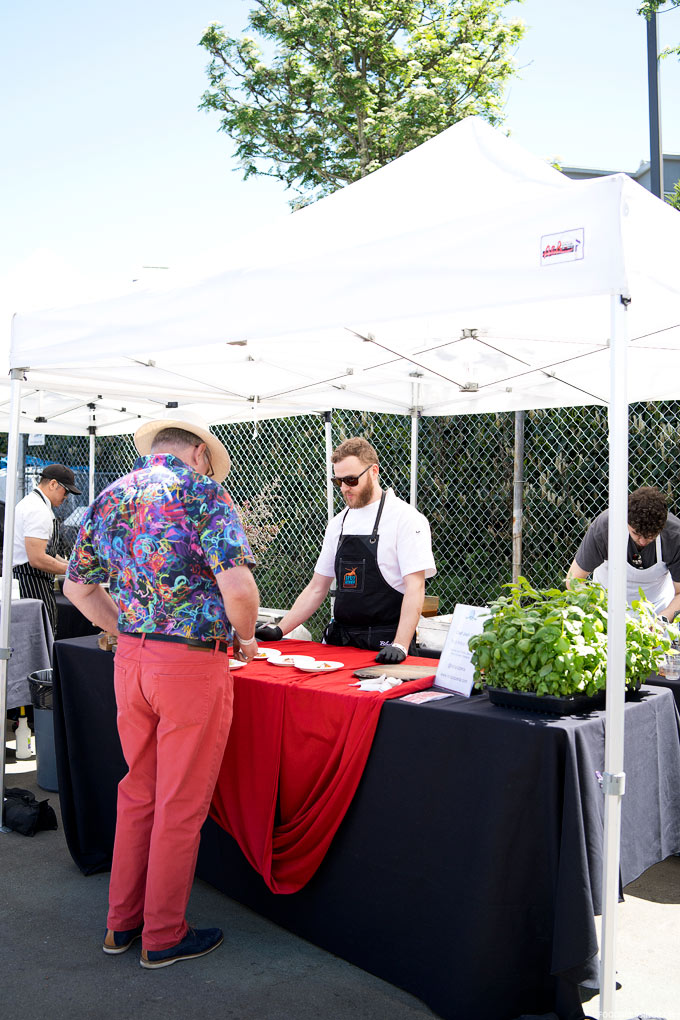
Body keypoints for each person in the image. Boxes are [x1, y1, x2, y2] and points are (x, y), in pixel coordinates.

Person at [63, 411, 259, 969]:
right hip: (191, 665)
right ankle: (164, 935)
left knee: (139, 792)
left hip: (133, 660)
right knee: (179, 803)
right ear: (198, 451)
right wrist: (246, 639)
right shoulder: (203, 492)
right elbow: (239, 585)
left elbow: (78, 584)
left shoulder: (110, 495)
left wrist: (121, 627)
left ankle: (121, 924)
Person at [255, 437, 436, 663]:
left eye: (350, 480)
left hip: (384, 646)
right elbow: (317, 588)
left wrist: (399, 645)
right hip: (340, 642)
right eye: (337, 481)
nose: (344, 488)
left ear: (373, 471)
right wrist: (280, 630)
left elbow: (415, 587)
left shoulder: (406, 519)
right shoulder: (338, 523)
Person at [566, 485, 680, 621]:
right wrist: (596, 612)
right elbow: (574, 579)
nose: (642, 541)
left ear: (662, 528)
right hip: (606, 606)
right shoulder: (606, 526)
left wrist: (663, 618)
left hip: (656, 608)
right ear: (626, 521)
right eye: (636, 533)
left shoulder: (675, 536)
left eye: (650, 536)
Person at [12, 463, 81, 635]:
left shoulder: (34, 504)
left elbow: (48, 551)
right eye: (66, 491)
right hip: (30, 584)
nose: (66, 497)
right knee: (39, 634)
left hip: (32, 580)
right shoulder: (37, 510)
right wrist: (75, 569)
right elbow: (37, 559)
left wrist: (69, 562)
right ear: (53, 484)